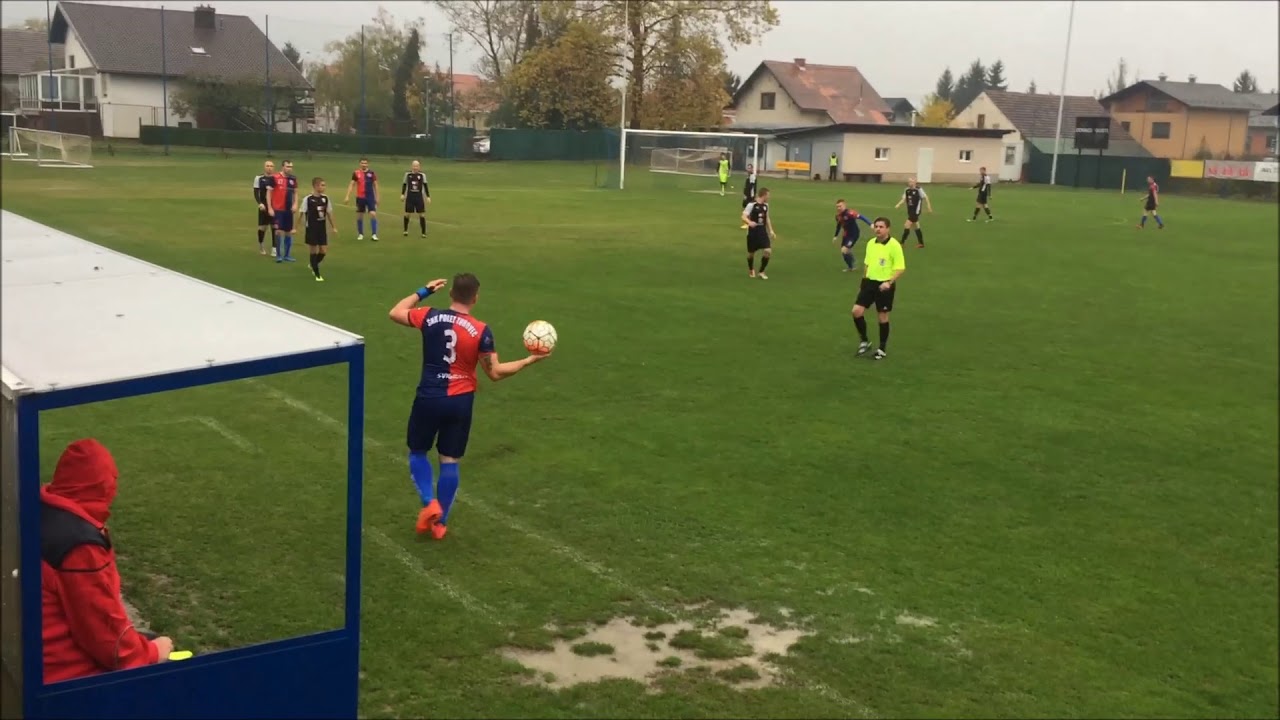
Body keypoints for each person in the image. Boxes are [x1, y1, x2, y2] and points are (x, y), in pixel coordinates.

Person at [388, 273, 551, 539]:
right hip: (461, 401)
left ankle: (430, 502)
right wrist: (528, 361)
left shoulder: (429, 316)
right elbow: (495, 373)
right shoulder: (481, 330)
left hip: (429, 397)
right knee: (449, 460)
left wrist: (424, 290)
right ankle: (440, 524)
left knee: (418, 452)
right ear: (475, 298)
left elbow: (395, 312)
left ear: (451, 293)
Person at [41, 439, 175, 683]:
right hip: (63, 674)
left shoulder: (43, 509)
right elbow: (108, 641)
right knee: (174, 669)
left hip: (36, 656)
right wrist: (156, 651)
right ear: (104, 485)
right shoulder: (79, 545)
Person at [852, 217, 906, 360]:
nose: (878, 229)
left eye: (881, 227)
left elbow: (900, 268)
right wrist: (862, 284)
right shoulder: (870, 243)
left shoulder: (894, 245)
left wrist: (889, 282)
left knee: (882, 316)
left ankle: (882, 349)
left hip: (885, 285)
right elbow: (867, 265)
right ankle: (864, 341)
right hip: (869, 283)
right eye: (876, 226)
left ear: (888, 229)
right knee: (856, 311)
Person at [303, 177, 338, 281]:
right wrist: (296, 227)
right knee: (313, 250)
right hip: (312, 228)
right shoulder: (308, 199)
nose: (324, 187)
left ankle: (313, 264)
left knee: (323, 250)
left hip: (321, 228)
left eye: (324, 185)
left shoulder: (325, 198)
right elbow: (302, 212)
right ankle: (317, 273)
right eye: (322, 185)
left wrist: (334, 227)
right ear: (316, 186)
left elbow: (329, 213)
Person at [268, 159, 299, 263]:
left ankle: (287, 255)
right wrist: (270, 207)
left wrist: (295, 204)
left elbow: (295, 193)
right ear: (283, 167)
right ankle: (278, 255)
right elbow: (269, 193)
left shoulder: (293, 179)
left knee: (288, 232)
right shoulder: (275, 178)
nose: (289, 169)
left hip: (288, 209)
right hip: (278, 209)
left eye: (291, 167)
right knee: (278, 231)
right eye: (287, 166)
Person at [742, 188, 776, 280]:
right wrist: (749, 222)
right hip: (753, 232)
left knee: (768, 251)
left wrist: (771, 231)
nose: (769, 197)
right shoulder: (751, 205)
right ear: (764, 195)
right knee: (751, 254)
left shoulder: (766, 206)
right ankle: (751, 269)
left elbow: (767, 218)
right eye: (768, 195)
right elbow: (743, 216)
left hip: (762, 231)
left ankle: (761, 271)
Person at [345, 157, 380, 241]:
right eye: (362, 163)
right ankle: (360, 234)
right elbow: (352, 184)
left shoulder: (371, 173)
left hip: (370, 197)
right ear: (360, 164)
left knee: (373, 214)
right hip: (360, 197)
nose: (364, 164)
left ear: (368, 164)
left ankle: (374, 234)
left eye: (365, 163)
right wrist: (347, 196)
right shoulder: (356, 173)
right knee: (360, 216)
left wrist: (377, 197)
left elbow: (375, 185)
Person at [833, 199, 872, 272]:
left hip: (854, 234)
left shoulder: (850, 213)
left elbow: (861, 217)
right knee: (844, 252)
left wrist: (871, 224)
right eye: (837, 207)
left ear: (844, 205)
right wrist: (835, 236)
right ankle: (851, 266)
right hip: (846, 235)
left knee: (844, 250)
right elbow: (838, 225)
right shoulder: (838, 216)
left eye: (840, 206)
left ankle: (852, 265)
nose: (839, 208)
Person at [894, 177, 933, 248]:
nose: (910, 183)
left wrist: (928, 206)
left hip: (916, 211)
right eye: (909, 182)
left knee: (907, 225)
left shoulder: (919, 189)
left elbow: (925, 197)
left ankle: (902, 242)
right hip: (910, 210)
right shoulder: (907, 190)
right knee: (916, 227)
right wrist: (899, 204)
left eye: (911, 182)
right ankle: (921, 243)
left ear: (915, 182)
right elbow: (904, 198)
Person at [401, 160, 431, 238]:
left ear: (419, 167)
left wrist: (428, 197)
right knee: (407, 214)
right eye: (414, 166)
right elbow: (404, 184)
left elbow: (425, 186)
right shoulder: (407, 174)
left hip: (419, 197)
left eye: (417, 166)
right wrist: (402, 194)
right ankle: (405, 230)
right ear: (412, 166)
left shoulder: (422, 175)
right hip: (410, 197)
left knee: (422, 214)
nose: (415, 167)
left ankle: (423, 233)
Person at [253, 160, 276, 257]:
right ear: (264, 167)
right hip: (264, 206)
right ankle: (261, 245)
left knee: (275, 227)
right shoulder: (259, 178)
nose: (269, 167)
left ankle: (274, 249)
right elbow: (256, 192)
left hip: (275, 206)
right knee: (263, 228)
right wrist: (260, 203)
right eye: (267, 166)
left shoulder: (276, 178)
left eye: (271, 166)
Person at [739, 163, 758, 229]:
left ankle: (747, 223)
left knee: (748, 209)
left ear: (752, 169)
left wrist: (747, 195)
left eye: (750, 168)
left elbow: (751, 186)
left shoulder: (752, 176)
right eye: (748, 168)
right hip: (747, 195)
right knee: (745, 208)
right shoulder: (749, 176)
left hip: (750, 196)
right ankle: (747, 222)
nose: (748, 169)